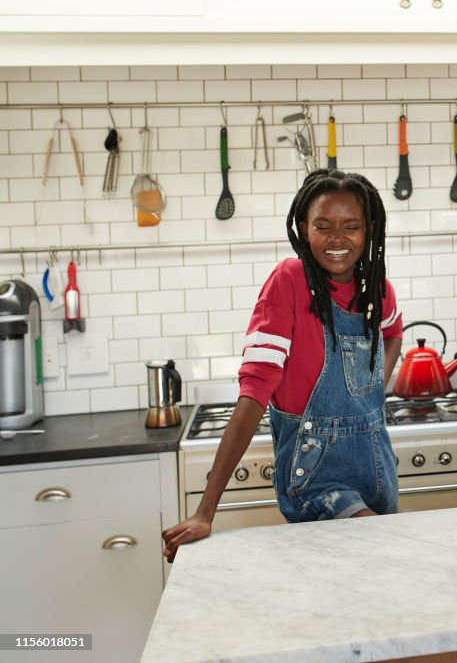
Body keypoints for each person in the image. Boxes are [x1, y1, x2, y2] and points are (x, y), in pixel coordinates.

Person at [162, 170, 403, 562]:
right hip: (316, 478)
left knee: (373, 598)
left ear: (370, 230)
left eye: (351, 226)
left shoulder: (377, 287)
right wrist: (205, 512)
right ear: (304, 228)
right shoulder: (288, 281)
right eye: (323, 226)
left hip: (377, 469)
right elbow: (255, 390)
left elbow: (393, 332)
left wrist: (374, 381)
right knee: (375, 564)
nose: (337, 238)